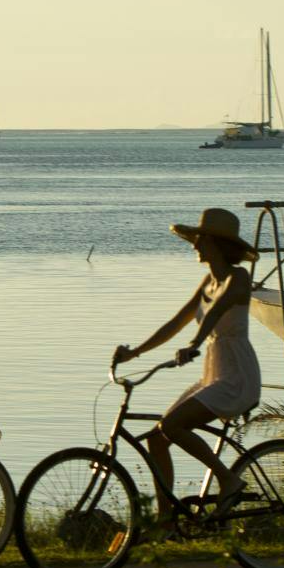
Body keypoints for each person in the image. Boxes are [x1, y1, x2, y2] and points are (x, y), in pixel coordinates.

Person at [113, 206, 260, 521]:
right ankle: (166, 521)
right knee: (157, 437)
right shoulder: (208, 281)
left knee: (172, 425)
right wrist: (134, 353)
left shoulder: (238, 277)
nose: (194, 245)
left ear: (216, 243)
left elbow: (218, 311)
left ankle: (228, 479)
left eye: (200, 240)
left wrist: (193, 344)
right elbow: (175, 323)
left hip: (237, 377)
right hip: (214, 373)